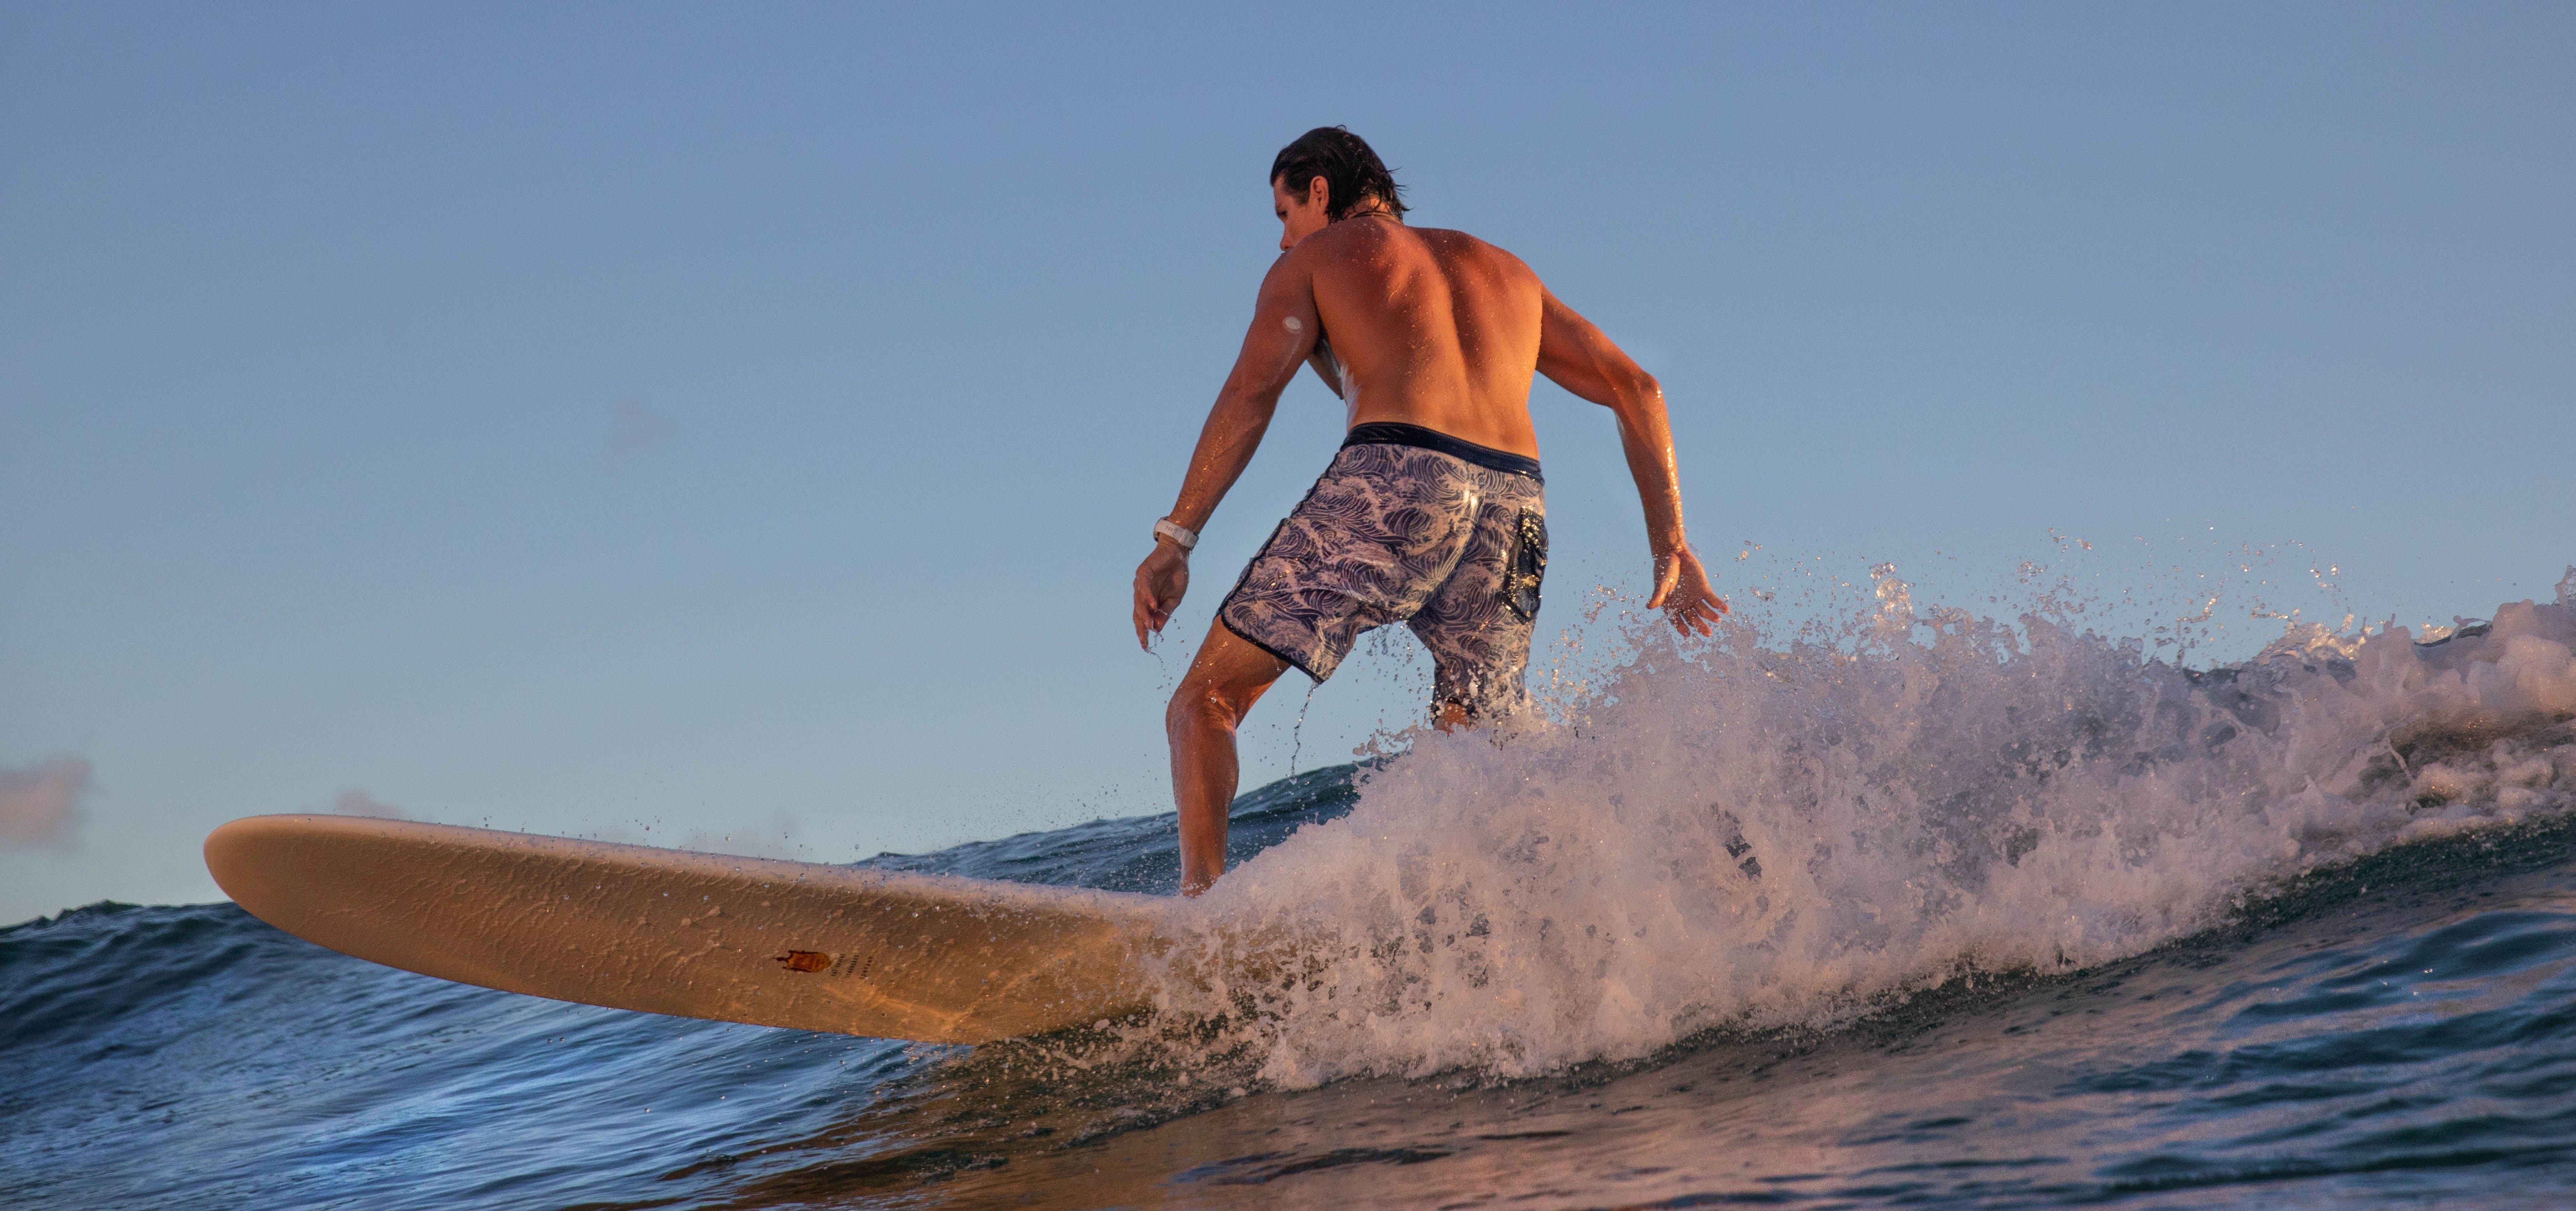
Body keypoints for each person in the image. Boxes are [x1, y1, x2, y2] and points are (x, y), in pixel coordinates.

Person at [1131, 127, 1728, 895]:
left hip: (1399, 473)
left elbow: (1251, 393)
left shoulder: (1317, 259)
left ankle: (1202, 915)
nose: (1282, 239)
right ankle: (1496, 918)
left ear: (1320, 191)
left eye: (1284, 214)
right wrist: (1670, 544)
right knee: (1473, 749)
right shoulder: (1505, 270)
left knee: (1205, 701)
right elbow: (1637, 388)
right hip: (1515, 506)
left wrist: (1176, 539)